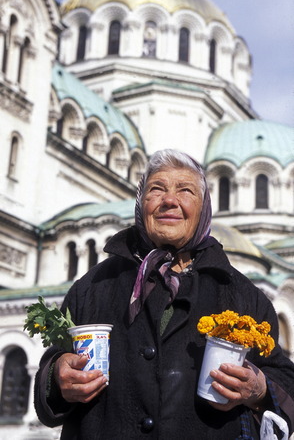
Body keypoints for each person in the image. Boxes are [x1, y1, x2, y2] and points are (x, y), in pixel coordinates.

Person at [34, 149, 294, 439]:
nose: (170, 200)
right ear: (140, 203)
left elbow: (285, 380)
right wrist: (58, 377)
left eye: (185, 190)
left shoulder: (240, 293)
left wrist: (257, 389)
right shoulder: (94, 285)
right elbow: (54, 364)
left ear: (204, 207)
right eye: (157, 189)